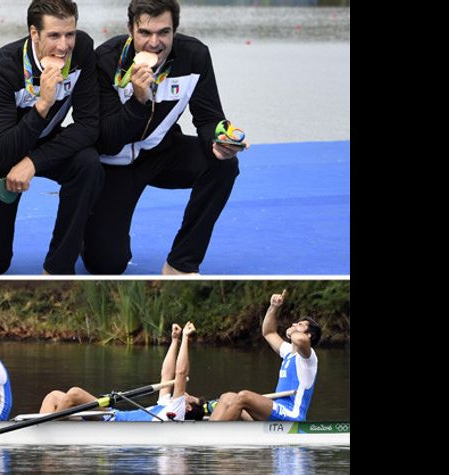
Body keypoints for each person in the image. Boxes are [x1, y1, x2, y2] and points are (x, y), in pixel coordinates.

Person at [82, 0, 247, 275]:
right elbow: (106, 140)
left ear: (175, 31)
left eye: (164, 33)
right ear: (130, 30)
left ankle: (181, 263)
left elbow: (208, 119)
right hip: (112, 165)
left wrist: (219, 141)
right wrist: (137, 100)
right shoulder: (105, 61)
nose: (154, 42)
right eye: (145, 33)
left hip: (162, 152)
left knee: (223, 165)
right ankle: (91, 230)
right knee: (106, 265)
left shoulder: (194, 56)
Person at [0, 0, 103, 274]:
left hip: (38, 144)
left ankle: (58, 267)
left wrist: (33, 161)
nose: (64, 45)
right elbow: (5, 153)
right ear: (34, 33)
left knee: (88, 162)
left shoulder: (82, 50)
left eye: (70, 34)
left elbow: (89, 126)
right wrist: (43, 105)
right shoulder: (3, 66)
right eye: (54, 35)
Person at [39, 322, 205, 421]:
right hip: (114, 415)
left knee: (74, 393)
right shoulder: (166, 404)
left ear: (188, 408)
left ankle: (49, 427)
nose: (187, 393)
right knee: (53, 396)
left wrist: (185, 339)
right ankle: (44, 431)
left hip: (113, 421)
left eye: (190, 397)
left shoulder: (176, 412)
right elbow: (166, 374)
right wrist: (175, 340)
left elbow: (181, 373)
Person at [210, 290, 321, 422]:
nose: (294, 325)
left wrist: (291, 333)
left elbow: (300, 340)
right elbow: (268, 332)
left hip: (292, 415)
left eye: (300, 325)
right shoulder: (288, 352)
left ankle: (217, 433)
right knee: (227, 397)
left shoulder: (309, 358)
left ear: (309, 335)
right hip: (277, 411)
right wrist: (273, 307)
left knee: (244, 396)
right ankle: (207, 434)